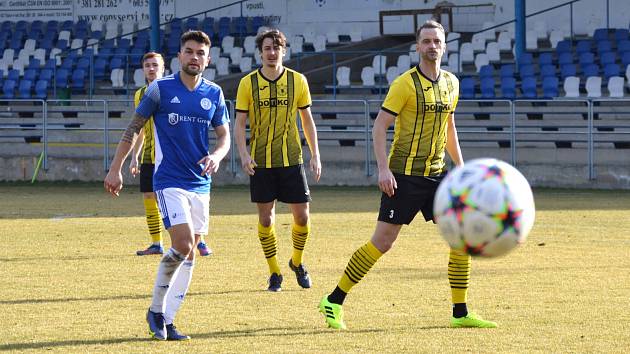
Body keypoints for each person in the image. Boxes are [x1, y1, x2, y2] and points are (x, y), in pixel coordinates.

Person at [318, 20, 497, 330]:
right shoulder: (403, 84)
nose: (431, 46)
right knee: (383, 242)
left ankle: (460, 312)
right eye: (425, 41)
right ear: (417, 46)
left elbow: (449, 127)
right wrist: (383, 169)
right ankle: (333, 300)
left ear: (444, 46)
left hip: (438, 175)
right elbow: (379, 127)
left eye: (436, 41)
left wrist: (462, 166)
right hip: (403, 176)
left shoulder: (452, 83)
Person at [104, 30, 230, 340]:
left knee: (190, 255)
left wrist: (216, 154)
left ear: (208, 59)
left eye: (200, 53)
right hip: (169, 180)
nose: (194, 57)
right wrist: (115, 169)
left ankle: (168, 320)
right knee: (184, 244)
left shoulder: (214, 93)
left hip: (201, 183)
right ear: (179, 56)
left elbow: (224, 136)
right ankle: (156, 309)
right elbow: (133, 129)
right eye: (189, 51)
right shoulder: (160, 89)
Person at [235, 29, 321, 292]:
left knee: (303, 218)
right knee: (265, 220)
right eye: (267, 48)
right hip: (260, 162)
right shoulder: (247, 83)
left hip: (291, 159)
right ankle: (275, 273)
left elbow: (307, 120)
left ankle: (297, 262)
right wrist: (243, 153)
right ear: (260, 52)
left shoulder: (298, 81)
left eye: (276, 48)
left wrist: (315, 153)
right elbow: (239, 123)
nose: (272, 53)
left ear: (284, 51)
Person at [130, 51, 213, 257]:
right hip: (150, 156)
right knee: (149, 197)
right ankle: (156, 242)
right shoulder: (140, 95)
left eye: (155, 65)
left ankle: (198, 240)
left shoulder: (174, 89)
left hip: (176, 158)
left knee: (189, 199)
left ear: (163, 68)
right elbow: (139, 128)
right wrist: (134, 156)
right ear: (143, 69)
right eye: (147, 65)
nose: (151, 68)